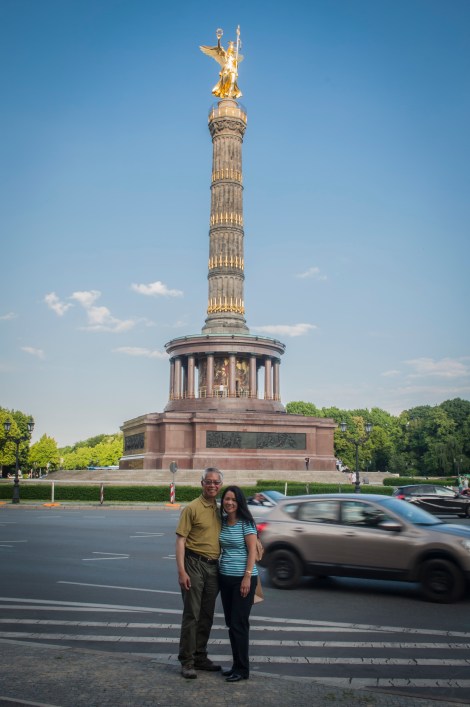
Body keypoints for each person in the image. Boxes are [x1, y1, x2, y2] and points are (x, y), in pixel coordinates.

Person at [175, 467, 223, 679]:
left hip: (214, 567)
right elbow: (180, 540)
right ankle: (187, 660)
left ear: (220, 486)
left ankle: (200, 656)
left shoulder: (220, 509)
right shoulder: (192, 508)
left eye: (216, 482)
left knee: (206, 615)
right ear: (202, 483)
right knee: (192, 614)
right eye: (208, 481)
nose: (212, 485)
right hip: (194, 564)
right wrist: (181, 571)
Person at [219, 485, 259, 682]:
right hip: (225, 578)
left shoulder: (246, 523)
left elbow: (252, 551)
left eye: (233, 499)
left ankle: (243, 669)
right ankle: (236, 665)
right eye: (227, 499)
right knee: (231, 624)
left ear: (239, 502)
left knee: (239, 624)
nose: (229, 502)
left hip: (244, 579)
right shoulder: (223, 522)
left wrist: (247, 577)